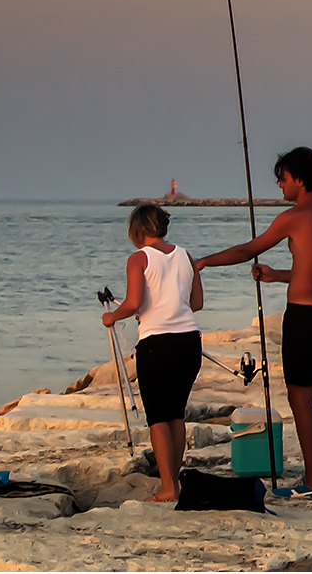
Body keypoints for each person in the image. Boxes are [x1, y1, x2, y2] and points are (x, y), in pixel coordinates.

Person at [194, 147, 312, 499]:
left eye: (283, 178)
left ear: (299, 179)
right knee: (307, 398)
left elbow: (249, 249)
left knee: (299, 399)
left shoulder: (294, 216)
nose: (280, 185)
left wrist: (203, 262)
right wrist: (276, 275)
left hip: (304, 318)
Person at [100, 204, 203, 503]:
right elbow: (196, 302)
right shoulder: (186, 256)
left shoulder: (138, 258)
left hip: (156, 344)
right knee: (175, 415)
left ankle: (168, 487)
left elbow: (133, 302)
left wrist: (113, 317)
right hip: (188, 342)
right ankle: (174, 481)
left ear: (139, 229)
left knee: (157, 417)